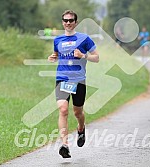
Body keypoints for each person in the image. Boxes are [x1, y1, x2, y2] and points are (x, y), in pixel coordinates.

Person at [48, 10, 99, 158]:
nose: (68, 23)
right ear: (62, 22)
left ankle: (81, 129)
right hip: (62, 78)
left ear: (76, 23)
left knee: (78, 112)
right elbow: (57, 55)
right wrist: (53, 57)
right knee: (63, 110)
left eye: (71, 20)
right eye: (65, 20)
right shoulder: (57, 40)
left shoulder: (84, 39)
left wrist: (83, 55)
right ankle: (65, 145)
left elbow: (97, 58)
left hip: (78, 80)